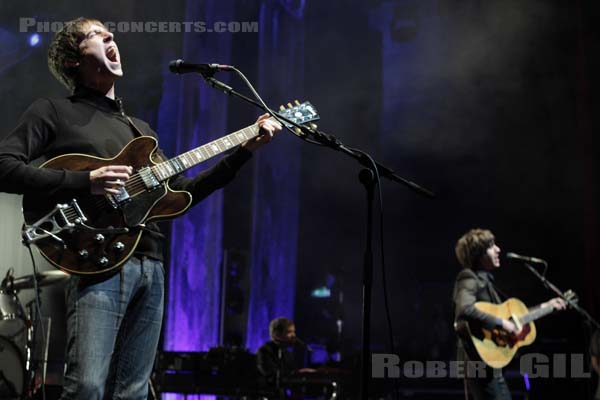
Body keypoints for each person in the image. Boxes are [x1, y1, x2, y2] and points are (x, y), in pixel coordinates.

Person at [0, 17, 282, 400]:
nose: (110, 38)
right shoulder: (51, 111)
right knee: (87, 386)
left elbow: (184, 193)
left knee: (131, 392)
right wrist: (85, 181)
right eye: (96, 36)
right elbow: (5, 167)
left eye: (110, 33)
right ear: (72, 61)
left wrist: (244, 151)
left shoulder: (139, 130)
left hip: (151, 266)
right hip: (96, 263)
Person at [452, 228, 566, 400]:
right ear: (478, 254)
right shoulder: (468, 277)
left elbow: (515, 320)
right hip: (479, 366)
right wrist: (502, 323)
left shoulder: (487, 282)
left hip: (490, 367)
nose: (498, 249)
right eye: (491, 246)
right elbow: (464, 309)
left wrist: (546, 306)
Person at [256, 317, 313, 386]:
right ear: (276, 334)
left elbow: (291, 373)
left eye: (294, 332)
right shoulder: (264, 351)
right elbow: (270, 374)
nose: (293, 335)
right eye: (289, 332)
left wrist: (300, 373)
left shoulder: (287, 353)